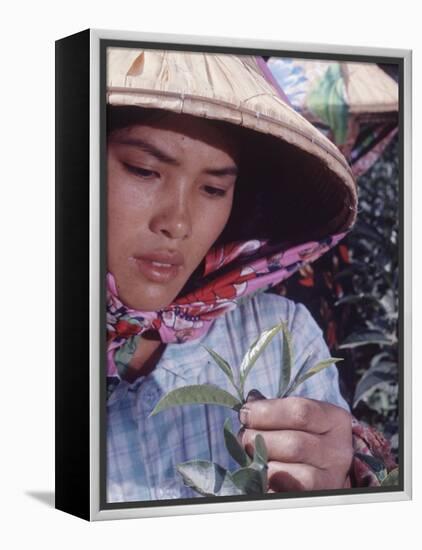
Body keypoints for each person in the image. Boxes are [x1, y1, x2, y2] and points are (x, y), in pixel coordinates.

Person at [106, 48, 397, 502]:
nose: (178, 222)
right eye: (144, 171)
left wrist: (340, 484)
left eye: (214, 188)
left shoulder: (280, 335)